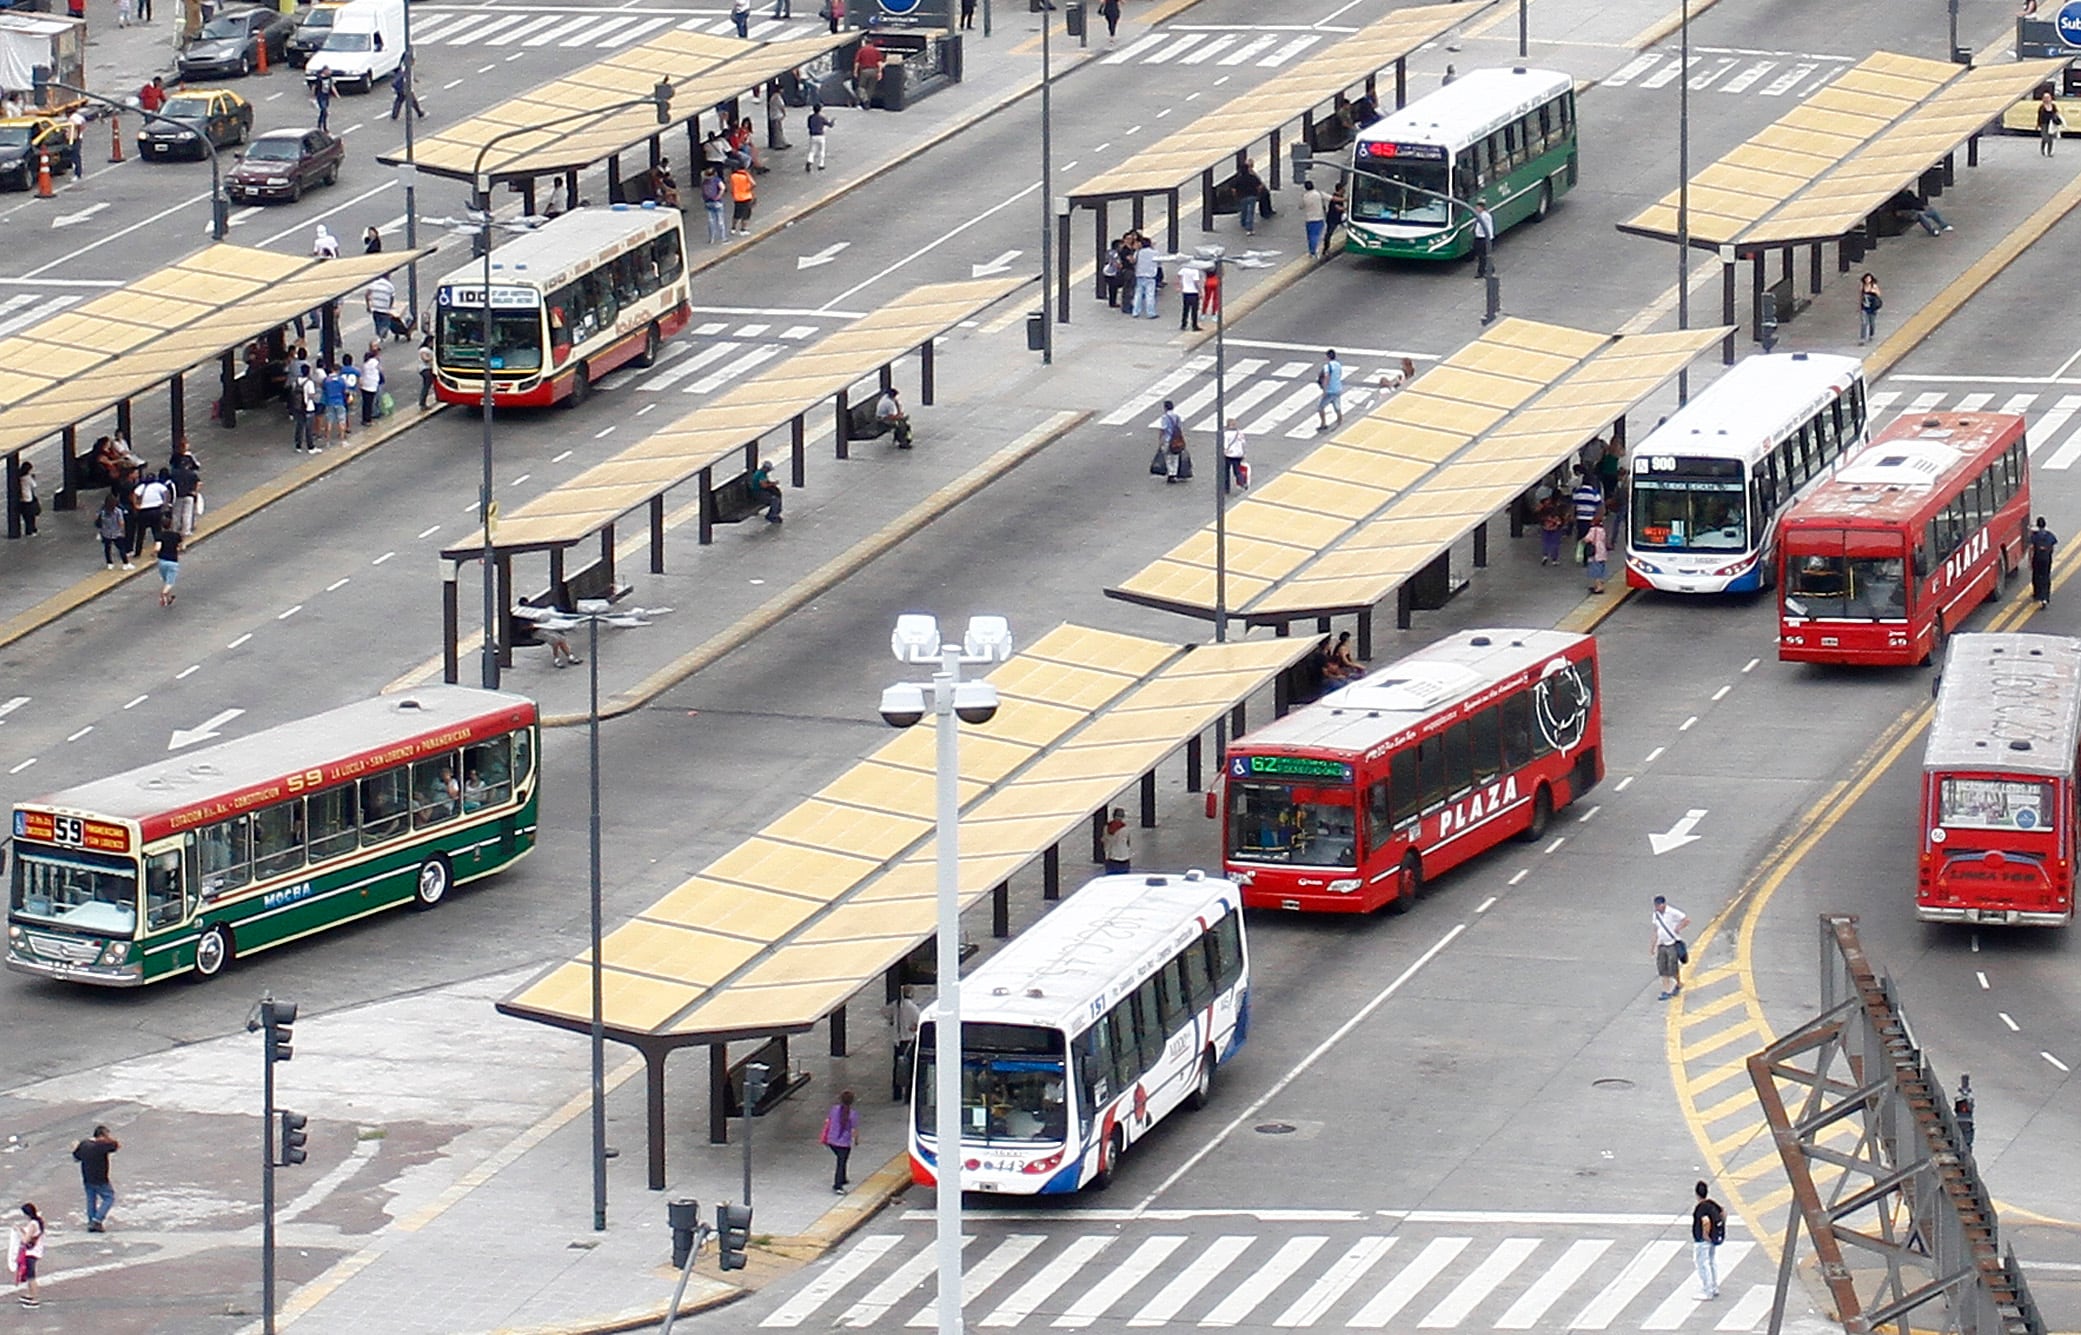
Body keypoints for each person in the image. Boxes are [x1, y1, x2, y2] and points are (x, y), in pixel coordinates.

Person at [73, 1125, 119, 1233]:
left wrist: (76, 1147)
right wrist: (108, 1139)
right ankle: (97, 1220)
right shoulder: (101, 1146)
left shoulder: (84, 1144)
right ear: (102, 1136)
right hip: (101, 1179)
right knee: (109, 1198)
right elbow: (116, 1145)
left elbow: (76, 1157)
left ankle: (91, 1222)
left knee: (91, 1199)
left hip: (87, 1177)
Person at [1652, 894, 1690, 1000]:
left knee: (1672, 967)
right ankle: (1666, 990)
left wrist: (1678, 928)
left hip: (1672, 944)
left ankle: (1678, 983)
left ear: (1663, 904)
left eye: (1658, 905)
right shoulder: (1656, 915)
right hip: (1662, 944)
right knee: (1662, 967)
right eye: (1656, 906)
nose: (1657, 908)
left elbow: (1686, 919)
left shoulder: (1672, 912)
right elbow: (1655, 930)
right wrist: (1653, 945)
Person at [1691, 1181, 1725, 1299]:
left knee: (1702, 1264)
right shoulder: (1712, 1204)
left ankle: (1707, 1290)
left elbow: (1705, 1221)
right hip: (1712, 1240)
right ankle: (1714, 1286)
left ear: (1696, 1194)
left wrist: (1705, 1234)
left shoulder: (1701, 1208)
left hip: (1703, 1241)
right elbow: (1723, 1212)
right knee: (1711, 1262)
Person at [819, 1090, 858, 1194]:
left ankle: (843, 1178)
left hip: (831, 1140)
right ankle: (838, 1185)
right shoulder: (853, 1114)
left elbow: (828, 1121)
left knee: (841, 1159)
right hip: (844, 1143)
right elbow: (854, 1130)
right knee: (842, 1162)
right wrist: (856, 1140)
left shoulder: (834, 1109)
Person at [890, 986, 921, 1100]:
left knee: (897, 1068)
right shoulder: (913, 1008)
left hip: (897, 1041)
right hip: (909, 1041)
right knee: (910, 1068)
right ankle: (908, 1095)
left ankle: (896, 1094)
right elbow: (918, 1023)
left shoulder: (896, 1005)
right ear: (912, 994)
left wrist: (893, 1021)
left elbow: (884, 1012)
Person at [12, 1203, 43, 1308]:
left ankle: (34, 1298)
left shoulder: (32, 1224)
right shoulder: (38, 1222)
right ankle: (30, 1295)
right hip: (36, 1251)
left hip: (30, 1253)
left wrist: (18, 1232)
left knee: (31, 1276)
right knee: (30, 1275)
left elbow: (25, 1239)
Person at [1156, 399, 1190, 482]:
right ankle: (1174, 473)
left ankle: (1170, 474)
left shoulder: (1165, 417)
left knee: (1168, 457)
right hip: (1177, 439)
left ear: (1165, 408)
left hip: (1168, 439)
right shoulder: (1177, 417)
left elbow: (1163, 429)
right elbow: (1180, 428)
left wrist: (1160, 439)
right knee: (1175, 457)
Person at [96, 494, 129, 570]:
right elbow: (121, 522)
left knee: (107, 548)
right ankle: (125, 563)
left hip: (105, 533)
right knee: (121, 548)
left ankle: (109, 563)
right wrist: (123, 531)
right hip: (116, 532)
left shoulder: (103, 511)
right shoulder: (118, 511)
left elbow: (99, 521)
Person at [2030, 516, 2057, 606]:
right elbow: (2052, 547)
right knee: (2046, 577)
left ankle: (2037, 594)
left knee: (2037, 576)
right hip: (2046, 559)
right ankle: (2045, 597)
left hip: (2037, 559)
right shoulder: (2049, 535)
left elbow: (2031, 549)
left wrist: (2030, 561)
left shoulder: (2034, 536)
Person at [1570, 467, 1603, 540]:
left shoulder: (1577, 493)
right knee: (1590, 538)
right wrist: (1598, 518)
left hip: (1580, 518)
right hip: (1591, 519)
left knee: (1581, 536)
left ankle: (1580, 550)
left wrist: (1572, 516)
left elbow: (1573, 506)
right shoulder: (1595, 494)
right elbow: (1599, 507)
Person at [1132, 236, 1160, 319]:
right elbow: (1159, 264)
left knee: (1138, 294)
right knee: (1150, 295)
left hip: (1139, 275)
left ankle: (1135, 311)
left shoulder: (1138, 252)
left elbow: (1134, 261)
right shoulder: (1154, 252)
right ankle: (1150, 312)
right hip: (1150, 276)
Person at [1234, 158, 1263, 235]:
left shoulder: (1238, 179)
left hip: (1242, 196)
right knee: (1250, 212)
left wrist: (1236, 194)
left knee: (1244, 210)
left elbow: (1233, 188)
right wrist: (1257, 192)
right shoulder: (1252, 177)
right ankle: (1249, 228)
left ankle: (1243, 222)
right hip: (1252, 196)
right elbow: (1260, 186)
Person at [1317, 349, 1344, 431]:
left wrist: (1324, 390)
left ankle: (1323, 423)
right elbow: (1339, 374)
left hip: (1330, 391)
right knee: (1337, 407)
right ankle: (1339, 420)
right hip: (1338, 389)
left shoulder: (1327, 366)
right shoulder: (1338, 364)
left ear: (1327, 357)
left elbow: (1326, 378)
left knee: (1320, 407)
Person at [854, 37, 884, 109]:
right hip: (874, 70)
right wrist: (880, 72)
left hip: (864, 71)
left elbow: (857, 62)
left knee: (861, 87)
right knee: (871, 88)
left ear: (865, 43)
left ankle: (865, 99)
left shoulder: (861, 50)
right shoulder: (876, 51)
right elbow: (880, 63)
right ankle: (868, 103)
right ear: (871, 43)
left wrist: (855, 71)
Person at [1300, 179, 1327, 258]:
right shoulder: (1319, 194)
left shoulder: (1305, 196)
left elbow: (1300, 206)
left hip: (1309, 219)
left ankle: (1311, 251)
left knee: (1310, 236)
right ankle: (1313, 251)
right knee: (1315, 236)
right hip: (1319, 218)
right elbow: (1330, 198)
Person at [750, 457, 783, 523]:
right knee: (774, 499)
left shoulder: (761, 473)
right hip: (759, 493)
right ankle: (772, 515)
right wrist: (772, 484)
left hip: (760, 491)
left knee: (777, 495)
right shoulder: (761, 474)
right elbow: (764, 485)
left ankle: (775, 513)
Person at [360, 345, 385, 427]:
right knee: (369, 403)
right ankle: (368, 419)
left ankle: (365, 419)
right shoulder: (374, 362)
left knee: (365, 403)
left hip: (365, 385)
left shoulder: (365, 363)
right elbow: (381, 369)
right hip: (371, 386)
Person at [728, 163, 756, 235]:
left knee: (736, 214)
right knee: (746, 214)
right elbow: (754, 184)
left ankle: (733, 228)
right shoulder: (745, 175)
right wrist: (749, 189)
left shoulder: (733, 176)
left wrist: (733, 194)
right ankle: (743, 229)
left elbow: (731, 188)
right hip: (746, 197)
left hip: (737, 197)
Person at [1585, 513, 1609, 594]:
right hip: (1602, 551)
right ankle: (1600, 585)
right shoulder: (1602, 530)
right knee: (1601, 567)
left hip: (1595, 551)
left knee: (1595, 569)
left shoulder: (1593, 530)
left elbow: (1588, 539)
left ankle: (1598, 587)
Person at [156, 529, 181, 607]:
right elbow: (181, 546)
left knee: (166, 580)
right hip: (172, 561)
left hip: (162, 561)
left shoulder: (159, 535)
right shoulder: (176, 535)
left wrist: (153, 553)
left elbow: (157, 548)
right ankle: (164, 594)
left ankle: (169, 598)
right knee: (170, 582)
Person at [1221, 418, 1247, 491]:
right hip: (1238, 454)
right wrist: (1243, 453)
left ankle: (1226, 488)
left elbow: (1225, 445)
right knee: (1237, 471)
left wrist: (1224, 451)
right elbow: (1243, 442)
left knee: (1226, 471)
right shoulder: (1240, 433)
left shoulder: (1226, 434)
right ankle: (1242, 483)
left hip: (1229, 454)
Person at [1177, 260, 1204, 331]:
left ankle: (1183, 324)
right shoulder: (1195, 271)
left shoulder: (1184, 269)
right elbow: (1196, 282)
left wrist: (1181, 285)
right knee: (1194, 310)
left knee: (1185, 309)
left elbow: (1179, 275)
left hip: (1185, 291)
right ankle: (1194, 325)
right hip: (1193, 292)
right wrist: (1200, 291)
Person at [805, 104, 832, 172]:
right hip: (820, 135)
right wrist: (832, 121)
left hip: (813, 135)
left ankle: (809, 161)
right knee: (821, 150)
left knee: (812, 151)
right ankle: (821, 165)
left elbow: (808, 126)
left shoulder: (810, 117)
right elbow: (830, 125)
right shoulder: (822, 117)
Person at [1472, 202, 1496, 278]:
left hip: (1483, 238)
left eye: (1477, 208)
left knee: (1482, 256)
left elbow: (1483, 225)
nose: (1476, 209)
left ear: (1482, 208)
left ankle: (1481, 272)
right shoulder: (1481, 215)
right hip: (1479, 237)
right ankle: (1490, 268)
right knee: (1483, 255)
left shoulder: (1485, 216)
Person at [13, 461, 37, 537]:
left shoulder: (18, 477)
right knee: (31, 516)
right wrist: (33, 478)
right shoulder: (27, 478)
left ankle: (28, 530)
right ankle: (31, 530)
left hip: (21, 499)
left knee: (26, 516)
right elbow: (34, 485)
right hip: (28, 498)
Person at [1858, 272, 1882, 345]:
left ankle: (1871, 334)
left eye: (1869, 278)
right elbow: (1861, 296)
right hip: (1864, 307)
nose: (1867, 280)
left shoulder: (1874, 286)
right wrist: (1859, 305)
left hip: (1872, 307)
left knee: (1872, 323)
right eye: (1866, 279)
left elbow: (1879, 294)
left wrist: (1873, 291)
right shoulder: (1862, 286)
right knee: (1864, 323)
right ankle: (1862, 338)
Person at [1953, 1073, 1976, 1152]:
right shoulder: (1963, 1095)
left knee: (1963, 1141)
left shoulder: (1966, 1096)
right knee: (1963, 1141)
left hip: (1965, 1121)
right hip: (1964, 1121)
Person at [2039, 90, 2064, 157]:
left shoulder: (2053, 106)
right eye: (2045, 97)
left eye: (2048, 97)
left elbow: (2057, 113)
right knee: (2045, 138)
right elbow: (2039, 116)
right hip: (2044, 124)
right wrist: (2038, 125)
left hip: (2051, 124)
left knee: (2051, 139)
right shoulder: (2042, 107)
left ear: (2050, 98)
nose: (2047, 99)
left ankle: (2049, 152)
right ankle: (2042, 148)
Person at [765, 81, 789, 151]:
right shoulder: (777, 97)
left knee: (778, 130)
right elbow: (781, 106)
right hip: (777, 115)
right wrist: (784, 113)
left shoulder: (773, 97)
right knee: (778, 131)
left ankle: (782, 142)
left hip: (774, 115)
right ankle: (779, 144)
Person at [313, 67, 335, 133]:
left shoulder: (329, 78)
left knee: (323, 113)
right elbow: (314, 87)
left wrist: (336, 94)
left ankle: (322, 126)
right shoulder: (319, 78)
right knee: (324, 111)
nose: (330, 72)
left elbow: (331, 86)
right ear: (324, 71)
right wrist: (313, 96)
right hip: (320, 96)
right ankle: (322, 127)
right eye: (328, 70)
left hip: (326, 96)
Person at [418, 333, 436, 410]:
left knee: (428, 386)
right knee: (426, 386)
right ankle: (422, 403)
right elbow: (425, 359)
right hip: (426, 370)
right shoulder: (424, 350)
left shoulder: (430, 350)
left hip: (429, 369)